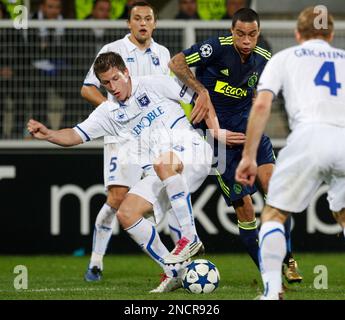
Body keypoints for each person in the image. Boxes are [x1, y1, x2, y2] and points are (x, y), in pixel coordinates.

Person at [27, 52, 219, 292]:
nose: (112, 87)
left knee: (162, 163)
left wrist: (216, 131)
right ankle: (175, 272)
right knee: (126, 213)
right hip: (164, 171)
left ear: (126, 72)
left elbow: (202, 98)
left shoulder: (154, 83)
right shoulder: (108, 112)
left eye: (116, 79)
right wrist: (49, 134)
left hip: (192, 149)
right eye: (106, 83)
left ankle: (190, 238)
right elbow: (75, 135)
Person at [169, 7, 302, 282]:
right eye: (240, 34)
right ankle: (268, 274)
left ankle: (288, 258)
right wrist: (201, 90)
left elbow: (263, 91)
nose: (245, 40)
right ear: (232, 32)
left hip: (249, 134)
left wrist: (258, 101)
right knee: (245, 208)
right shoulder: (215, 47)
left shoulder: (264, 58)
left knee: (274, 189)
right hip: (216, 141)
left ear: (258, 34)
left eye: (251, 34)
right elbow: (176, 62)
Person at [235, 6, 345, 299]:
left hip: (309, 137)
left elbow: (261, 105)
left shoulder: (284, 58)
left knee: (274, 213)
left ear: (298, 34)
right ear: (331, 35)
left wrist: (248, 156)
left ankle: (272, 293)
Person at [80, 1, 187, 283]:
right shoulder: (111, 52)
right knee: (117, 198)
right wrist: (116, 113)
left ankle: (179, 263)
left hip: (154, 136)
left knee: (165, 192)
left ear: (154, 23)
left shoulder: (162, 53)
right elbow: (87, 88)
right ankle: (96, 262)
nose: (142, 23)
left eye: (148, 18)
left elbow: (167, 93)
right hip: (122, 136)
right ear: (129, 23)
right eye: (137, 18)